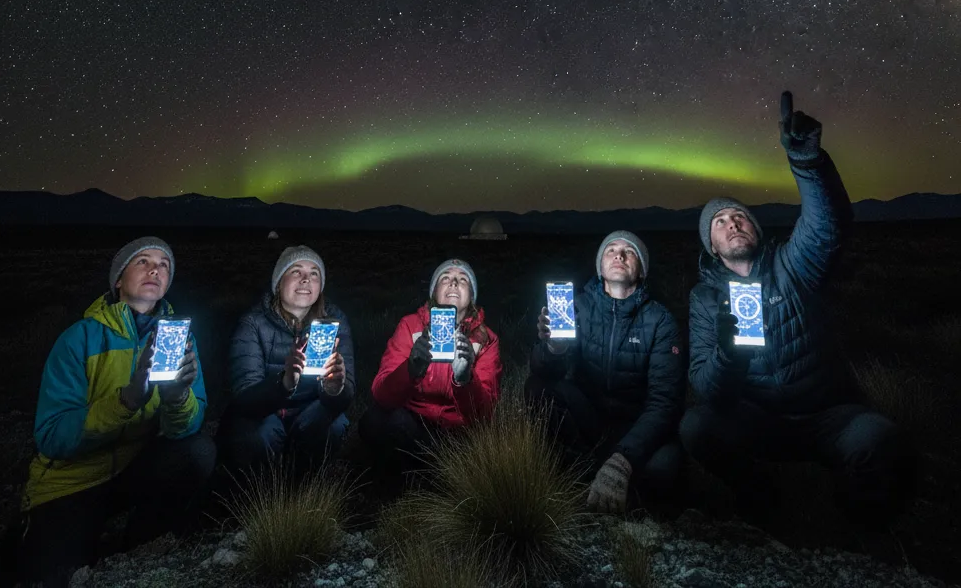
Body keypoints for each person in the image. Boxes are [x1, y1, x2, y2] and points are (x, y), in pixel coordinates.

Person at [680, 91, 907, 526]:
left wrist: (807, 161)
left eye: (740, 217)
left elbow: (828, 224)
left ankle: (854, 531)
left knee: (878, 440)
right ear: (712, 246)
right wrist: (731, 354)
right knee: (697, 427)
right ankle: (760, 495)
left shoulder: (792, 264)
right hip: (759, 420)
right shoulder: (705, 299)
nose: (733, 224)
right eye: (721, 223)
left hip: (827, 415)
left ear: (756, 228)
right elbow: (710, 389)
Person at [15, 236, 214, 588]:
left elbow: (188, 426)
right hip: (70, 483)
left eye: (164, 265)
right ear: (118, 279)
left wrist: (177, 397)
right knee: (53, 575)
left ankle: (137, 547)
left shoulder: (178, 339)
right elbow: (51, 437)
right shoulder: (79, 339)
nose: (156, 268)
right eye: (143, 261)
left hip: (132, 467)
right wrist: (128, 400)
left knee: (196, 452)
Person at [525, 231, 685, 513]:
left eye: (629, 251)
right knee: (538, 388)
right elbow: (542, 371)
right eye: (611, 250)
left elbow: (664, 401)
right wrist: (554, 348)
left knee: (665, 469)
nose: (619, 255)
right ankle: (577, 472)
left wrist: (624, 459)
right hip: (590, 418)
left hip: (634, 425)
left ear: (642, 270)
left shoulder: (660, 320)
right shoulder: (578, 307)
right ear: (600, 268)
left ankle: (610, 473)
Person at [219, 245, 354, 479]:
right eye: (296, 271)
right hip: (268, 412)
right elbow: (245, 397)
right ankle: (262, 487)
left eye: (314, 273)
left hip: (310, 410)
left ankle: (304, 479)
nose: (305, 279)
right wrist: (284, 383)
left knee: (335, 423)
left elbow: (348, 390)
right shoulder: (253, 324)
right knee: (258, 434)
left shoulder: (335, 321)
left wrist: (335, 389)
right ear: (278, 282)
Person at [361, 259, 502, 478]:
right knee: (374, 421)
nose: (454, 283)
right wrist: (410, 369)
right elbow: (381, 394)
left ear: (472, 297)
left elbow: (484, 415)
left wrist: (465, 379)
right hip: (413, 426)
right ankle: (401, 487)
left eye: (462, 280)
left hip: (459, 435)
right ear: (434, 292)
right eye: (445, 278)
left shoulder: (486, 339)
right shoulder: (410, 326)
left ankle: (440, 478)